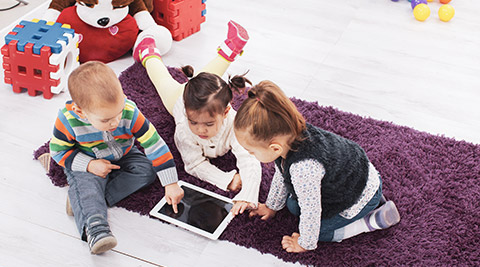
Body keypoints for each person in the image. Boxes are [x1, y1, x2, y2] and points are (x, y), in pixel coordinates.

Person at [233, 81, 401, 253]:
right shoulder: (291, 134)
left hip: (360, 195)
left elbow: (311, 210)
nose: (251, 155)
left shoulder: (303, 169)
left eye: (252, 152)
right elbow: (281, 173)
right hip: (358, 174)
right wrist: (272, 206)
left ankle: (371, 221)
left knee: (316, 231)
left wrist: (304, 243)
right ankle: (374, 199)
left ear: (274, 148)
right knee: (292, 206)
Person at [49, 61, 184, 254]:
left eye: (118, 113)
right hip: (87, 159)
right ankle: (97, 229)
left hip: (124, 154)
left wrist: (170, 183)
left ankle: (83, 200)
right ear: (80, 112)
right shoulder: (67, 120)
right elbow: (58, 151)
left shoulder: (129, 110)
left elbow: (154, 143)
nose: (115, 122)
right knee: (88, 183)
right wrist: (89, 165)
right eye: (105, 120)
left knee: (146, 171)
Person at [132, 21, 262, 216]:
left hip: (203, 95)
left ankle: (229, 49)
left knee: (207, 82)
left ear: (226, 112)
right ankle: (148, 52)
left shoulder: (235, 123)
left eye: (209, 124)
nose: (200, 130)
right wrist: (226, 179)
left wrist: (248, 193)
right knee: (162, 79)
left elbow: (249, 158)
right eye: (195, 123)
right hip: (178, 97)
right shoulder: (185, 129)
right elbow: (194, 165)